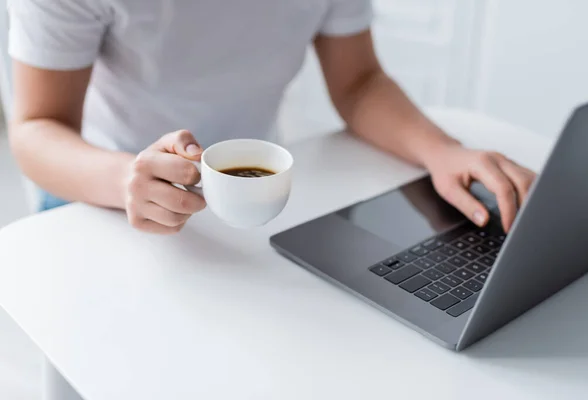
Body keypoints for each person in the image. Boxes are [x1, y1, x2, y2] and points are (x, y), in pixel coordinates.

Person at [7, 0, 535, 399]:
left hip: (244, 205)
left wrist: (441, 152)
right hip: (96, 193)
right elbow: (35, 129)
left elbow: (358, 81)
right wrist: (126, 180)